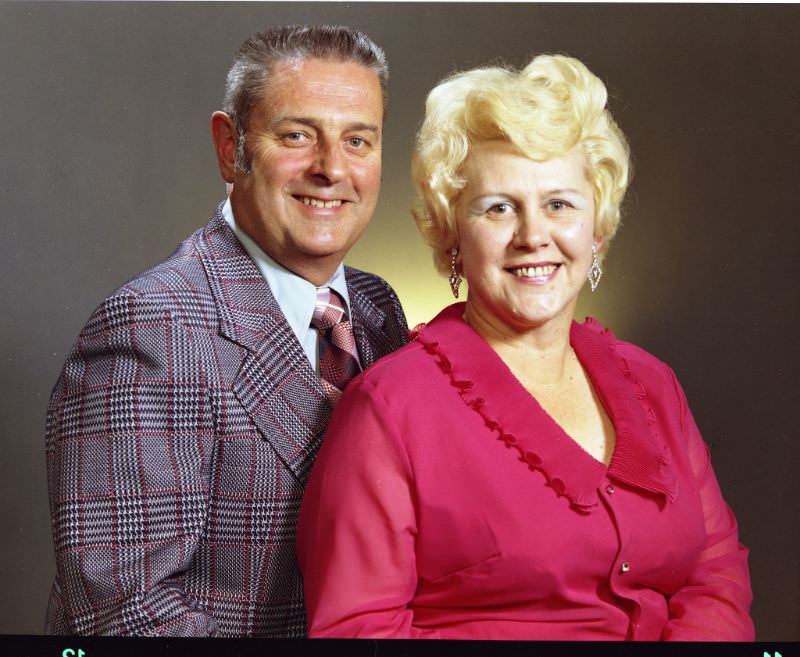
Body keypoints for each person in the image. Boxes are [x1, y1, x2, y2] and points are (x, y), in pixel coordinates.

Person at [296, 54, 754, 640]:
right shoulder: (389, 408)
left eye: (559, 204)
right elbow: (358, 628)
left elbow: (714, 573)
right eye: (498, 208)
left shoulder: (653, 384)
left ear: (599, 231)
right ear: (454, 234)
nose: (533, 235)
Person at [45, 25, 408, 637]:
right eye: (297, 135)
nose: (331, 169)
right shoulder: (150, 328)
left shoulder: (377, 309)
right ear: (228, 146)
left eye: (357, 140)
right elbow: (125, 616)